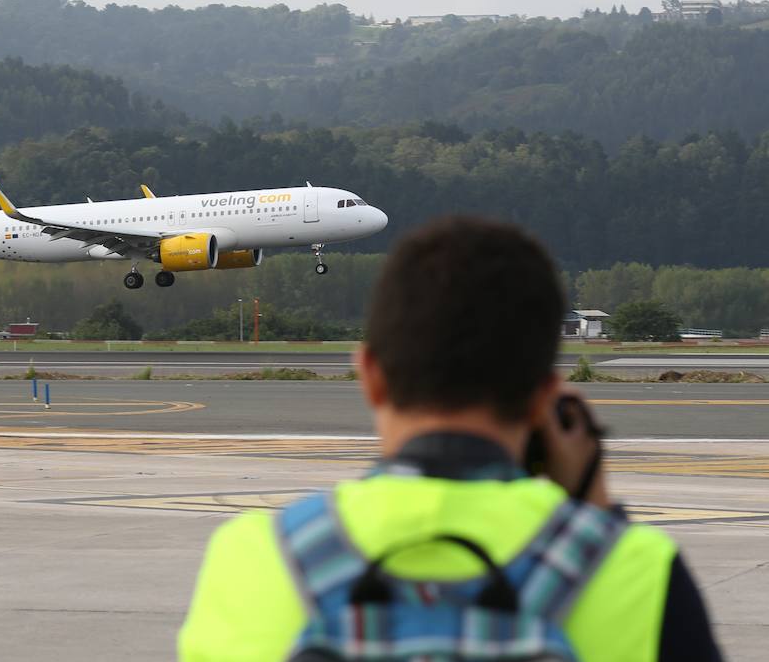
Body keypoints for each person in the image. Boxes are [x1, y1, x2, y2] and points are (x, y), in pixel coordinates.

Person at [178, 216, 720, 662]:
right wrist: (595, 519)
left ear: (369, 375)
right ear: (547, 394)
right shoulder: (639, 571)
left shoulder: (251, 559)